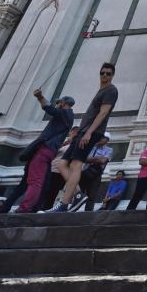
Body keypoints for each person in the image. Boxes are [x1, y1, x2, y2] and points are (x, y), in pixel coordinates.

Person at [47, 62, 118, 212]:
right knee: (62, 164)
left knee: (76, 165)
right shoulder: (101, 90)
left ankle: (65, 204)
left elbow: (103, 112)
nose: (105, 75)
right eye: (102, 72)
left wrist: (89, 132)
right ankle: (78, 194)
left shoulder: (111, 90)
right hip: (82, 132)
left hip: (90, 132)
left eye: (108, 73)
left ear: (112, 75)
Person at [17, 91, 75, 213]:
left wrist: (39, 96)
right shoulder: (67, 115)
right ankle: (33, 206)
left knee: (35, 180)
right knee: (39, 180)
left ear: (63, 103)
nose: (57, 105)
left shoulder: (65, 113)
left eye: (59, 102)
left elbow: (49, 109)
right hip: (50, 151)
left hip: (45, 149)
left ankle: (25, 207)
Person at [39, 128, 78, 211]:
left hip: (61, 171)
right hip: (51, 168)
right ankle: (40, 206)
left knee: (54, 191)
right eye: (73, 131)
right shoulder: (63, 141)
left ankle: (47, 208)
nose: (74, 133)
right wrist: (64, 143)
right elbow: (52, 150)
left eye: (76, 132)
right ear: (70, 132)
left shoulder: (76, 144)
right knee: (45, 189)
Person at [79, 133, 113, 211]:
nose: (101, 139)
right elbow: (83, 158)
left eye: (104, 138)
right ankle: (74, 209)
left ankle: (88, 212)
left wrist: (91, 159)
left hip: (96, 174)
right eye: (101, 137)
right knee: (79, 193)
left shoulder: (109, 150)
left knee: (92, 194)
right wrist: (97, 158)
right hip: (84, 172)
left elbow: (103, 160)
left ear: (107, 140)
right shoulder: (91, 147)